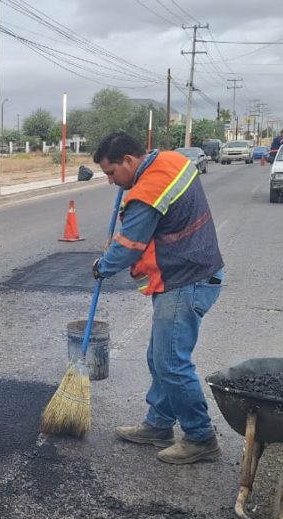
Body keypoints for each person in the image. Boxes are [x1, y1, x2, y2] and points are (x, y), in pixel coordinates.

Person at [91, 132, 226, 465]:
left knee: (171, 362)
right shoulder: (172, 160)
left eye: (111, 173)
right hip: (191, 272)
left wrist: (102, 267)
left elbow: (128, 246)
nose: (111, 182)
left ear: (129, 161)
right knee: (159, 357)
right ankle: (159, 425)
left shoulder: (149, 189)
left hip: (186, 279)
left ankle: (200, 437)